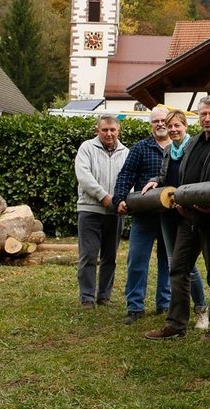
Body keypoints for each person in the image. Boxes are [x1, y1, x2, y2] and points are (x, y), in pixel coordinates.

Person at [145, 96, 210, 341]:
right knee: (179, 268)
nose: (207, 118)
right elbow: (182, 176)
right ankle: (176, 325)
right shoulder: (193, 143)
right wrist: (181, 201)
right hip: (189, 217)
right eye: (203, 114)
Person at [141, 109, 208, 329]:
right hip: (168, 212)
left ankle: (201, 310)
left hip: (187, 213)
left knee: (186, 264)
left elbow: (196, 179)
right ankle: (179, 313)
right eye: (170, 127)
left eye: (177, 126)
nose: (173, 130)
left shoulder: (194, 147)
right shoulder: (170, 149)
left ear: (185, 126)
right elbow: (163, 175)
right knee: (174, 263)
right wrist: (154, 181)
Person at [113, 106, 173, 325]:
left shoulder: (179, 147)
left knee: (167, 262)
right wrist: (119, 198)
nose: (160, 124)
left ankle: (164, 303)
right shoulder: (140, 148)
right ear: (151, 125)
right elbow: (126, 174)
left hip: (170, 215)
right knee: (137, 260)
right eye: (155, 121)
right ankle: (134, 306)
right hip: (144, 214)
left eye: (163, 120)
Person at [74, 115, 129, 309]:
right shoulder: (86, 148)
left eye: (113, 130)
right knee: (88, 255)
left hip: (115, 212)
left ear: (118, 130)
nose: (109, 134)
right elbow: (84, 176)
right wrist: (104, 197)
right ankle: (87, 297)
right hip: (89, 210)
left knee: (110, 257)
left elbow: (129, 178)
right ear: (97, 130)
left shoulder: (126, 152)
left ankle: (104, 296)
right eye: (105, 130)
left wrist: (123, 200)